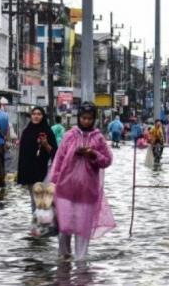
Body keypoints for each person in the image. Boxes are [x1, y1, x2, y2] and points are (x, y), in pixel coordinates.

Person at [50, 102, 115, 261]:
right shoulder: (69, 135)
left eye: (89, 119)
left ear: (94, 120)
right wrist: (53, 182)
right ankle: (64, 258)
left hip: (87, 191)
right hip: (65, 188)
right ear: (78, 118)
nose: (86, 121)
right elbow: (59, 159)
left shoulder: (98, 138)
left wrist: (93, 154)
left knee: (82, 229)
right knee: (64, 228)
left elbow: (107, 160)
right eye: (83, 118)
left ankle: (81, 261)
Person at [17, 107, 57, 213]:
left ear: (43, 116)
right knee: (34, 199)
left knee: (43, 200)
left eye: (39, 114)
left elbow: (55, 153)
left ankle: (44, 222)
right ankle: (36, 223)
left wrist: (45, 144)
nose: (36, 116)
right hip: (29, 171)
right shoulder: (26, 131)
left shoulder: (48, 131)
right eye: (34, 114)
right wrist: (21, 173)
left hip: (43, 171)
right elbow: (22, 154)